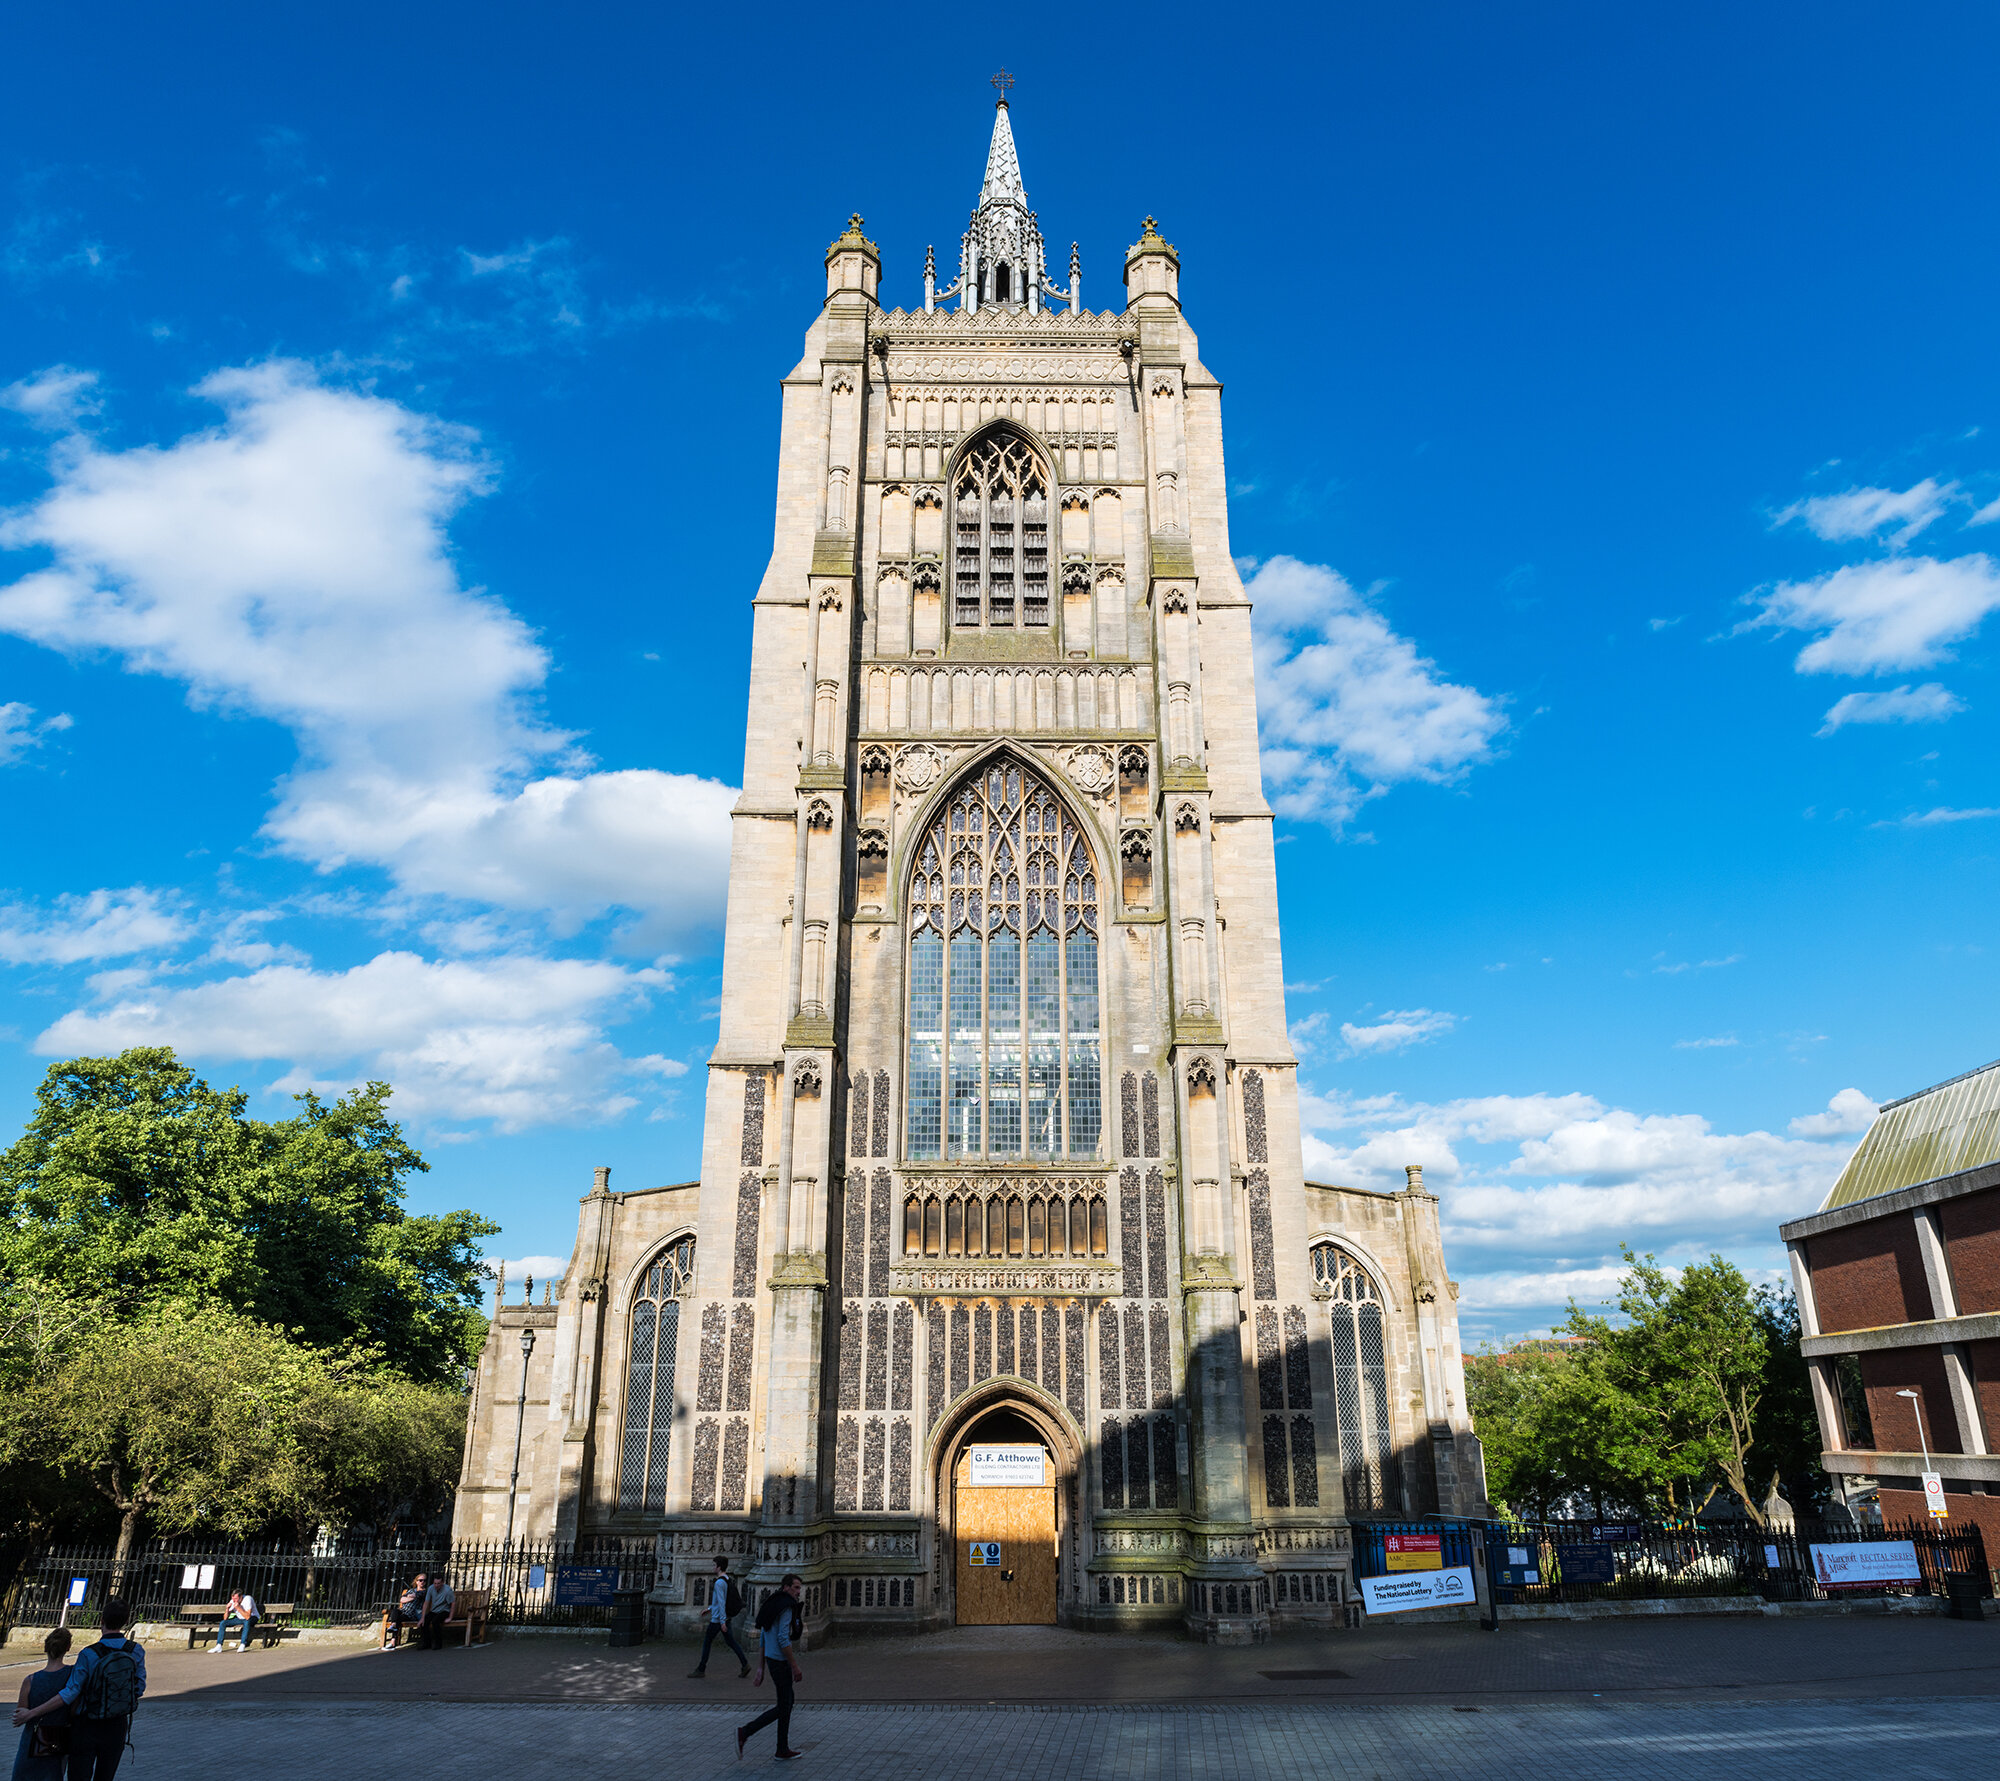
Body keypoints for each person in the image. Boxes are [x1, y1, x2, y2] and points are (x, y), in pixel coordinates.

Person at [12, 1596, 144, 1781]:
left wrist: (33, 1712)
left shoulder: (88, 1654)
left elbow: (70, 1692)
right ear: (126, 1622)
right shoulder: (135, 1651)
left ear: (101, 1621)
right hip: (117, 1725)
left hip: (87, 1725)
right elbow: (139, 1688)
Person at [735, 1576, 804, 1763]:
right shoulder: (787, 1607)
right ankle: (746, 1731)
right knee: (785, 1705)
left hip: (772, 1660)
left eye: (800, 1588)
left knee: (787, 1703)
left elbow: (764, 1635)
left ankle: (782, 1749)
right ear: (786, 1587)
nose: (798, 1592)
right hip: (780, 1662)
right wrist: (795, 1666)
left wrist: (760, 1668)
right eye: (796, 1588)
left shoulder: (773, 1603)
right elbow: (783, 1639)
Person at [10, 1627, 71, 1781]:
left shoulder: (30, 1680)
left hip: (31, 1738)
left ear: (45, 1648)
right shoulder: (72, 1676)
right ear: (67, 1648)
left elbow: (20, 1714)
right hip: (58, 1737)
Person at [688, 1556, 750, 1680]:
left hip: (718, 1620)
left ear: (719, 1567)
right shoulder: (727, 1579)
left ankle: (701, 1669)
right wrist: (710, 1608)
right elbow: (719, 1602)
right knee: (731, 1642)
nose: (713, 1567)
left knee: (707, 1642)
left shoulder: (719, 1583)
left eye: (714, 1565)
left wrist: (722, 1622)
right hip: (724, 1617)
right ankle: (745, 1664)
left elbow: (721, 1603)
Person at [381, 1574, 428, 1651]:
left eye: (424, 1580)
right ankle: (393, 1625)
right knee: (395, 1611)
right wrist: (412, 1597)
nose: (422, 1582)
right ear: (416, 1581)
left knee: (398, 1619)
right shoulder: (411, 1590)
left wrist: (410, 1597)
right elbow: (402, 1600)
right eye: (420, 1580)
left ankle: (393, 1642)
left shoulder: (425, 1591)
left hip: (412, 1614)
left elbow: (417, 1596)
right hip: (403, 1610)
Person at [419, 1573, 456, 1650]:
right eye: (435, 1583)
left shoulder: (447, 1590)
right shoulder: (430, 1588)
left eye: (438, 1583)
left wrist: (450, 1617)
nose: (436, 1585)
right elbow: (426, 1602)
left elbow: (453, 1603)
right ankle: (426, 1643)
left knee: (435, 1621)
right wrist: (422, 1617)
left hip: (444, 1610)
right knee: (425, 1621)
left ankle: (438, 1643)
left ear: (442, 1583)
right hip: (434, 1610)